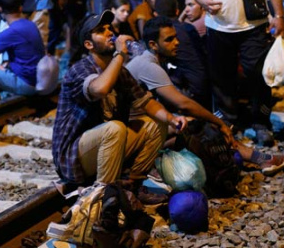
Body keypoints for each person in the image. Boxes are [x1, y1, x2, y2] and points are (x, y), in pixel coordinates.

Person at [126, 16, 284, 175]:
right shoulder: (149, 65)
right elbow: (183, 104)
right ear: (153, 45)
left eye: (176, 37)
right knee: (204, 130)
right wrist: (219, 122)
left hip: (144, 129)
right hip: (137, 135)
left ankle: (258, 159)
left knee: (197, 129)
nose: (177, 43)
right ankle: (259, 159)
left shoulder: (148, 58)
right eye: (169, 40)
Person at [52, 10, 187, 188]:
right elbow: (100, 89)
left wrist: (172, 119)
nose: (110, 33)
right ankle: (105, 196)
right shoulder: (80, 69)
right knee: (115, 128)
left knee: (156, 123)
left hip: (106, 146)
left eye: (109, 28)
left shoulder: (120, 72)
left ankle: (133, 183)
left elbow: (146, 102)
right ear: (89, 44)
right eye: (101, 31)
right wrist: (120, 55)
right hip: (73, 157)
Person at [186, 0, 284, 146]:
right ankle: (226, 123)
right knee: (221, 77)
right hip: (218, 26)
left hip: (255, 24)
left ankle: (261, 124)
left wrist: (279, 15)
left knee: (259, 74)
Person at [154, 0, 212, 110]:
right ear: (176, 11)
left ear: (155, 15)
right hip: (208, 85)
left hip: (191, 91)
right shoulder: (188, 27)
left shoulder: (162, 35)